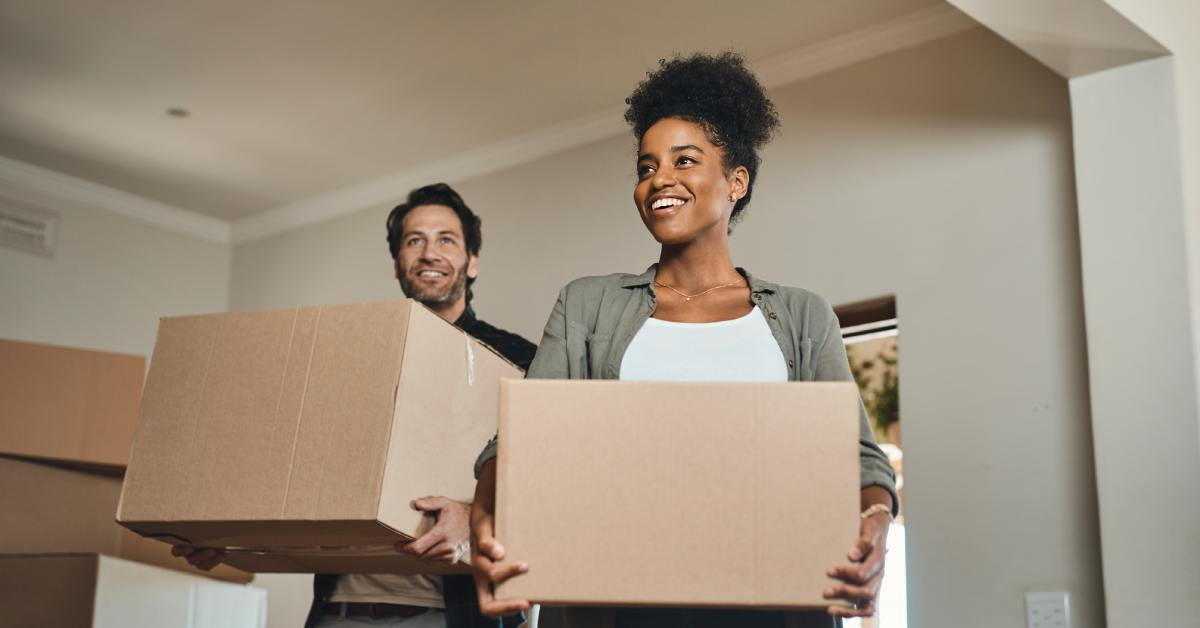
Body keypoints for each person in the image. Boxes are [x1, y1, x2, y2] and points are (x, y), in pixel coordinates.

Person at [468, 53, 899, 628]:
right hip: (615, 602)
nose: (659, 180)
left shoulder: (802, 314)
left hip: (774, 603)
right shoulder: (588, 305)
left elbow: (859, 457)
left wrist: (874, 519)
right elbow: (521, 440)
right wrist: (486, 512)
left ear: (736, 181)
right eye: (646, 167)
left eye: (684, 160)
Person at [174, 183, 536, 628]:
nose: (429, 252)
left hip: (451, 615)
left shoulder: (519, 361)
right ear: (397, 263)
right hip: (340, 610)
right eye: (414, 240)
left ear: (472, 260)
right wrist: (228, 538)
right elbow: (300, 475)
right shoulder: (355, 356)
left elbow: (547, 482)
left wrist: (476, 517)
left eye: (446, 239)